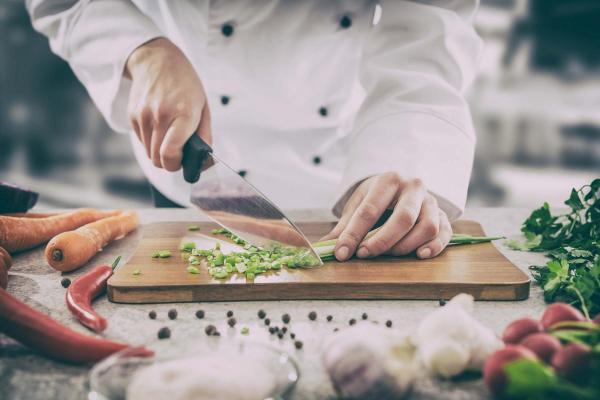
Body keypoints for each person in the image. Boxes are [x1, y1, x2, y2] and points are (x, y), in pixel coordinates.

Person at [26, 0, 482, 262]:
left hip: (349, 184)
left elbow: (432, 20)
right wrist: (141, 51)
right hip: (190, 164)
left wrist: (405, 159)